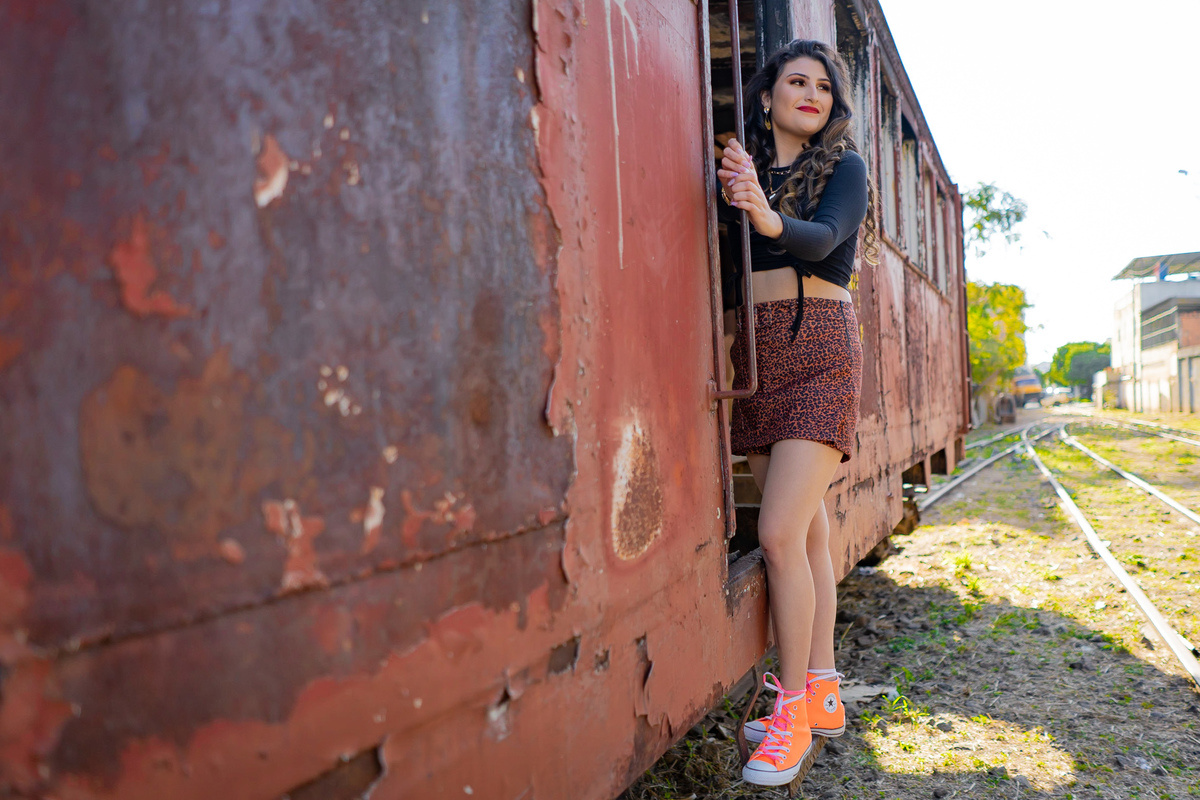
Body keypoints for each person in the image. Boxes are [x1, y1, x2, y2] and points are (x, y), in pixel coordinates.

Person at [715, 38, 879, 787]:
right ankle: (823, 691)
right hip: (757, 354)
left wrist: (763, 211)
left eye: (822, 85)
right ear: (768, 93)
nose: (809, 93)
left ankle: (790, 718)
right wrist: (741, 198)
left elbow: (824, 239)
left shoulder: (843, 167)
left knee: (777, 533)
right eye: (795, 81)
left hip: (818, 348)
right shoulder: (740, 169)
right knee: (807, 535)